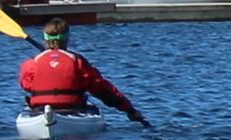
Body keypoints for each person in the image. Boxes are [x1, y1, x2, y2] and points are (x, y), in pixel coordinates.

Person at [16, 21, 145, 124]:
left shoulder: (32, 63)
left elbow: (26, 84)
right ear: (67, 39)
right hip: (72, 109)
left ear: (45, 39)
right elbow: (102, 89)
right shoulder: (77, 61)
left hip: (40, 110)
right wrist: (129, 110)